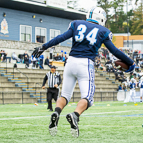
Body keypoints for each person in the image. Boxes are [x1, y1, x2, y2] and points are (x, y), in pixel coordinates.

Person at [32, 7, 135, 138]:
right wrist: (131, 62)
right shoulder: (103, 31)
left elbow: (61, 38)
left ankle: (57, 112)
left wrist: (43, 46)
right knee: (88, 98)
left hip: (70, 62)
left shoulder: (76, 23)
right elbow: (114, 51)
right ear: (102, 18)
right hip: (85, 64)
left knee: (65, 95)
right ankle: (75, 115)